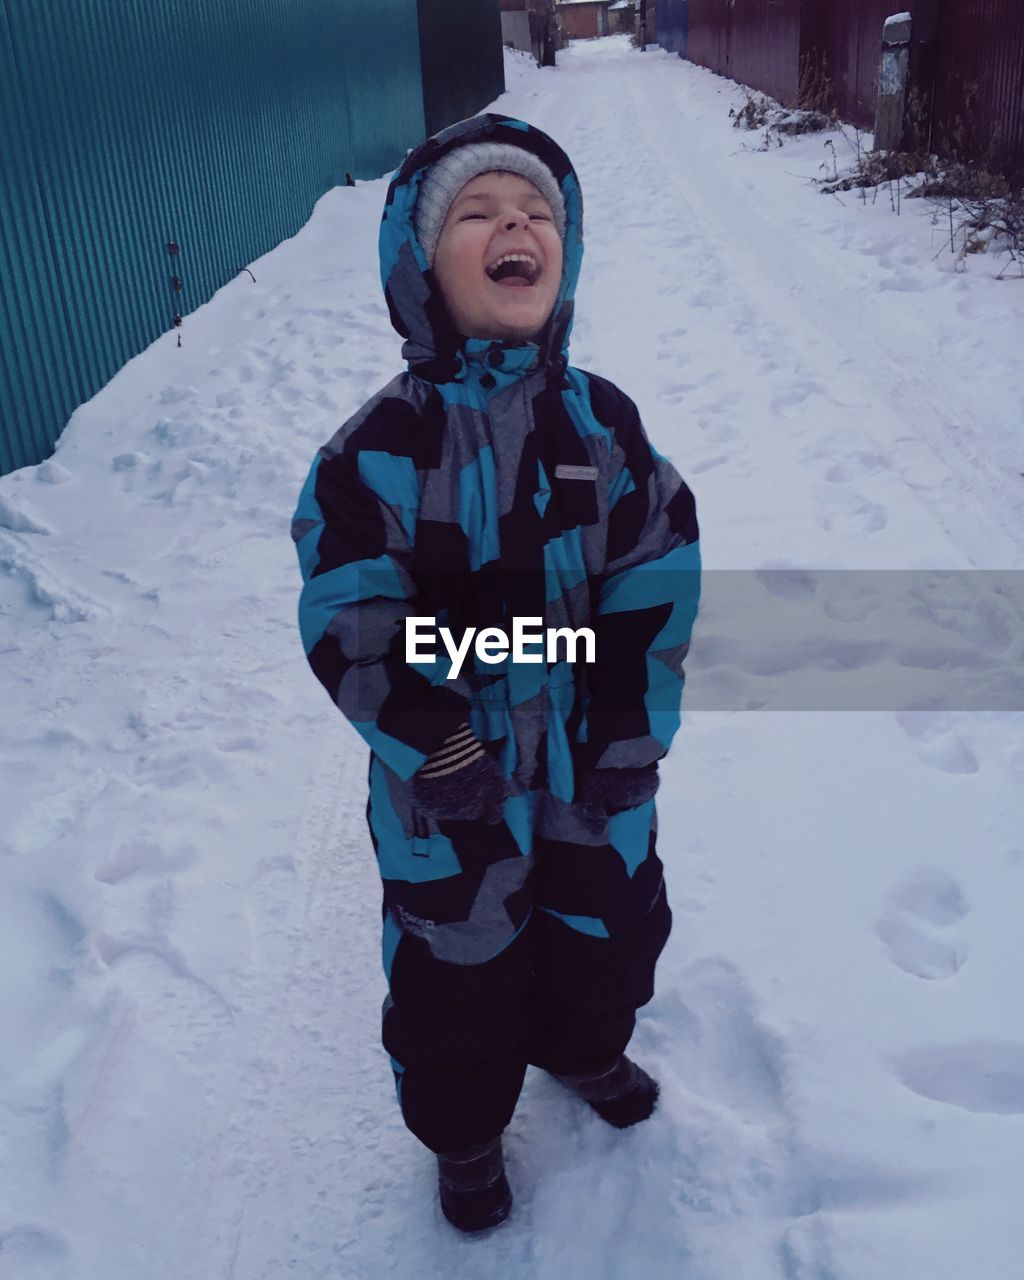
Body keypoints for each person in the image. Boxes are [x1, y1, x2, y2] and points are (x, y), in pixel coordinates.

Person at [291, 113, 700, 1234]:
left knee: (607, 931)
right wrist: (440, 738)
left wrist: (623, 722)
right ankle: (465, 1130)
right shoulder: (373, 452)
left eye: (536, 212)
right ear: (421, 267)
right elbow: (352, 619)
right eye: (476, 212)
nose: (514, 223)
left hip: (590, 770)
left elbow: (657, 574)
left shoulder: (602, 424)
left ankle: (585, 1048)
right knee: (454, 974)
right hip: (451, 791)